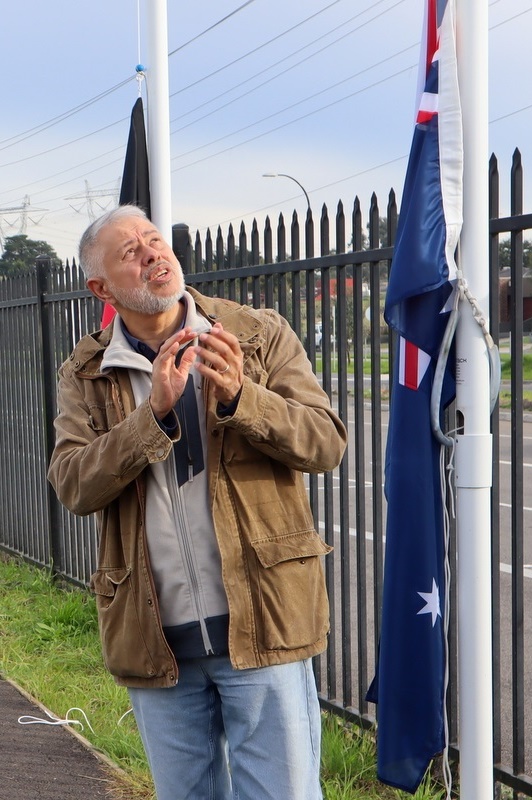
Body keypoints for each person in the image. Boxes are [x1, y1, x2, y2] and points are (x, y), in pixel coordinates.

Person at [48, 205, 347, 800]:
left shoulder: (257, 333)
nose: (152, 254)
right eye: (130, 251)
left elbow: (326, 441)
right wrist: (150, 417)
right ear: (101, 287)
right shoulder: (87, 374)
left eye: (154, 240)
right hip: (156, 638)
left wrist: (242, 396)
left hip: (263, 619)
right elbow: (73, 484)